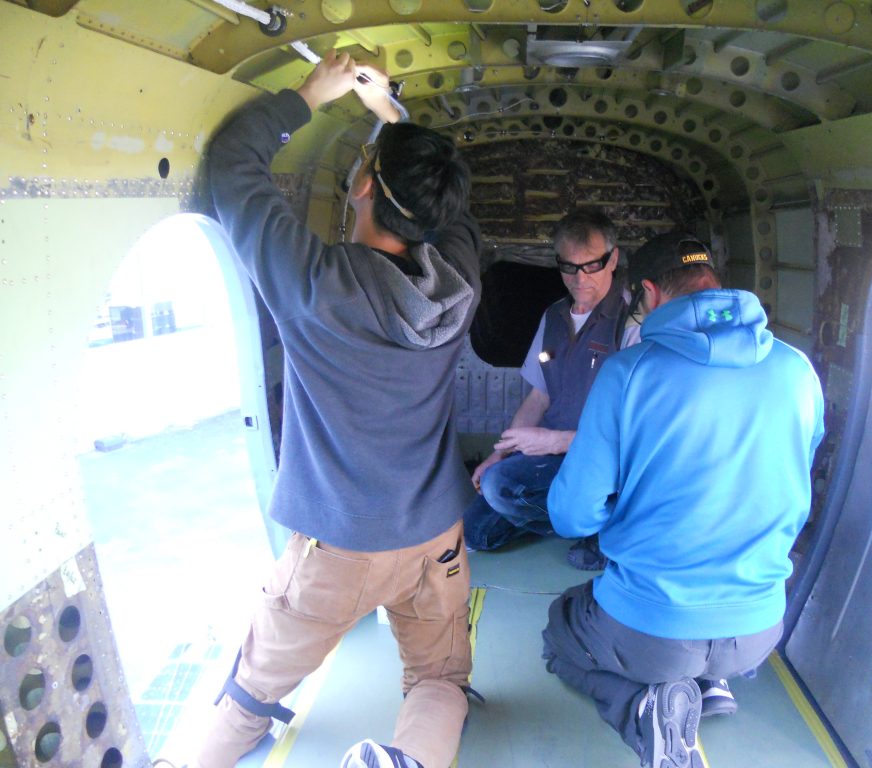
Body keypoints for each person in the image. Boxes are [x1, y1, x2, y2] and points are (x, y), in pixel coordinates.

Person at [196, 51, 481, 768]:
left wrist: (308, 95)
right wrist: (392, 123)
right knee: (441, 680)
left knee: (253, 691)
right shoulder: (462, 281)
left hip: (338, 550)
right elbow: (448, 216)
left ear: (360, 186)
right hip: (434, 538)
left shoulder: (317, 284)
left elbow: (234, 166)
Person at [540, 232, 824, 768]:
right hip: (758, 629)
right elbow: (792, 475)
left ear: (648, 291)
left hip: (653, 632)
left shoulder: (630, 373)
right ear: (714, 281)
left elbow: (571, 514)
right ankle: (710, 685)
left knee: (562, 628)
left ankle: (642, 707)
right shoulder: (797, 371)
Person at [463, 209, 636, 570]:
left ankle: (607, 527)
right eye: (569, 267)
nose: (579, 278)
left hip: (606, 465)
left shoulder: (631, 320)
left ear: (613, 258)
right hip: (553, 458)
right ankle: (578, 520)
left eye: (592, 265)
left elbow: (639, 431)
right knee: (476, 532)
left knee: (501, 489)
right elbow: (538, 398)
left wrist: (556, 441)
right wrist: (503, 453)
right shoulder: (555, 316)